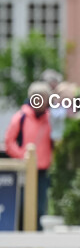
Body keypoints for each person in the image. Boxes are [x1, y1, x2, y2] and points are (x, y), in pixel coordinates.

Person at [4, 82, 53, 230]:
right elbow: (9, 141)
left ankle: (36, 238)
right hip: (24, 169)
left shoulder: (51, 119)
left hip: (42, 170)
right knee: (23, 205)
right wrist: (22, 156)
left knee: (40, 207)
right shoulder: (21, 117)